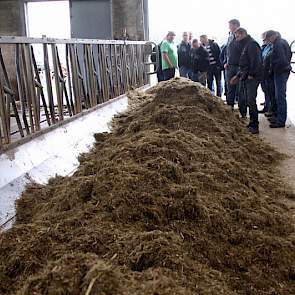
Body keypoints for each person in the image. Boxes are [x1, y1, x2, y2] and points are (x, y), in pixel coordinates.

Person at [230, 28, 263, 134]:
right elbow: (244, 63)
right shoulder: (246, 44)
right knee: (244, 98)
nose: (236, 38)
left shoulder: (252, 44)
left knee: (251, 100)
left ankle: (255, 125)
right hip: (245, 76)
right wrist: (238, 75)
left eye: (238, 36)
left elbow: (256, 61)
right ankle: (251, 123)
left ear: (243, 34)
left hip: (251, 78)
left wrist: (251, 75)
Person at [265, 30, 292, 128]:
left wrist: (273, 69)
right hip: (284, 71)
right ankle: (278, 117)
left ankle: (280, 121)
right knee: (279, 96)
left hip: (280, 72)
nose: (269, 41)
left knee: (280, 96)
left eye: (269, 39)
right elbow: (289, 56)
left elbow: (281, 60)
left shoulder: (278, 44)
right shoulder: (283, 42)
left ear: (273, 36)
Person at [225, 19, 242, 110]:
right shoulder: (230, 36)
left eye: (230, 25)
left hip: (239, 66)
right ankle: (229, 106)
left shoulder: (241, 35)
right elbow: (228, 51)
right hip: (230, 65)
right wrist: (226, 62)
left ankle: (241, 109)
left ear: (236, 25)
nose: (229, 27)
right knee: (230, 86)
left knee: (240, 88)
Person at [260, 32, 274, 114]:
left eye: (265, 39)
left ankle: (269, 108)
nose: (264, 41)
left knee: (269, 91)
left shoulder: (272, 47)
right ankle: (267, 106)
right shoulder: (266, 47)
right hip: (264, 72)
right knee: (265, 89)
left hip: (268, 72)